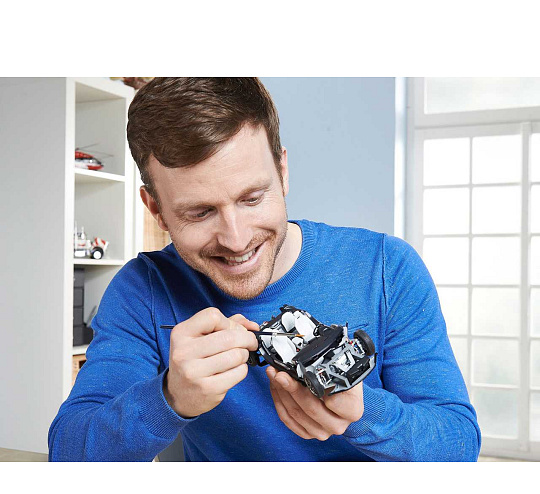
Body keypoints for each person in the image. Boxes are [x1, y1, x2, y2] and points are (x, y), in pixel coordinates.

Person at [48, 77, 481, 461]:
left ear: (283, 170)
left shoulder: (386, 268)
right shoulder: (144, 289)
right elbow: (69, 452)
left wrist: (364, 414)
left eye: (252, 198)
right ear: (156, 209)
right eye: (200, 213)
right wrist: (169, 398)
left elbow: (458, 445)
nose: (236, 240)